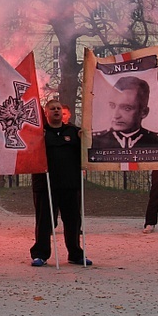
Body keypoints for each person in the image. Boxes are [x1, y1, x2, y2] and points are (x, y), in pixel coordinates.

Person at [30, 100, 92, 267]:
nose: (56, 111)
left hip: (70, 184)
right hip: (45, 185)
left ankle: (75, 253)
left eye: (58, 108)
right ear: (46, 112)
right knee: (44, 222)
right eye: (52, 108)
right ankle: (40, 254)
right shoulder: (39, 133)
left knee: (73, 221)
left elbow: (87, 151)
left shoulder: (74, 132)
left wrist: (83, 139)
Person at [92, 76, 158, 149]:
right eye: (112, 106)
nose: (115, 115)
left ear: (144, 112)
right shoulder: (95, 141)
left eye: (126, 108)